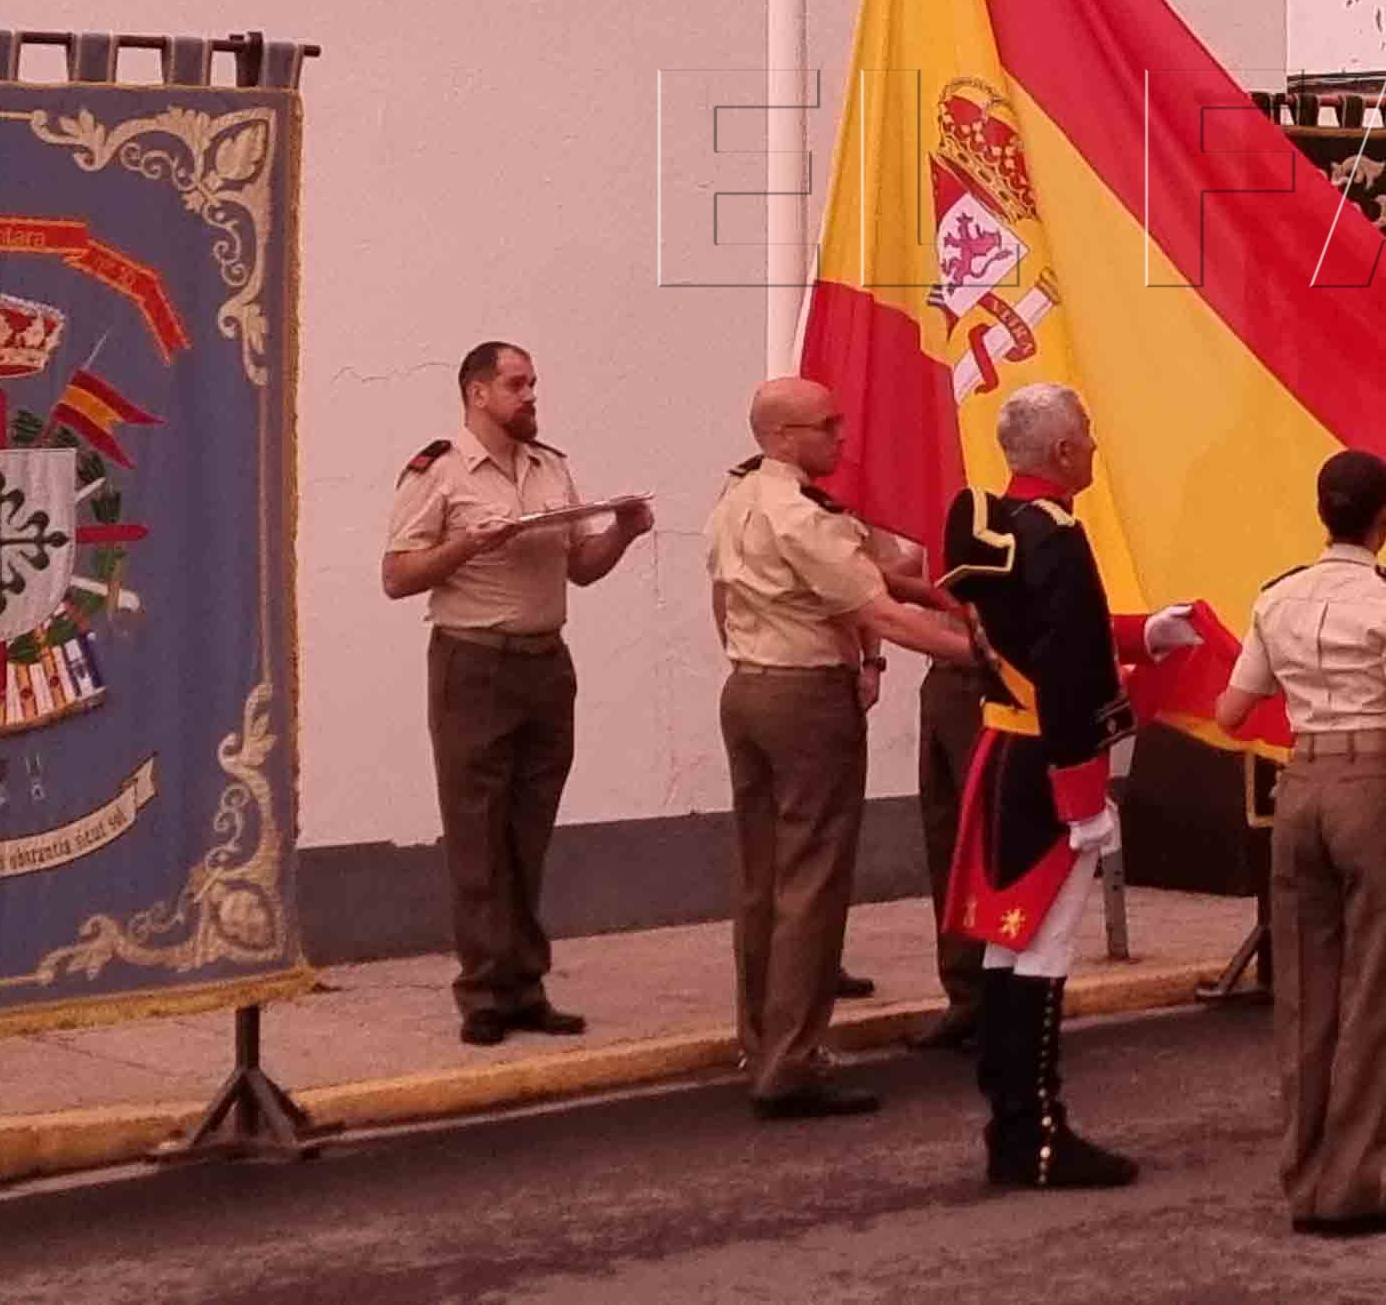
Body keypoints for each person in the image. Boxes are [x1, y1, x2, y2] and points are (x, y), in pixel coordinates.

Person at [937, 382, 1210, 1187]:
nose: (1094, 445)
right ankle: (1038, 1137)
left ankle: (1012, 1128)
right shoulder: (1054, 536)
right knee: (1043, 948)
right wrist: (1085, 798)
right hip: (1048, 763)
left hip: (1006, 753)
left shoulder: (1010, 526)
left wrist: (1142, 633)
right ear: (1062, 454)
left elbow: (1052, 630)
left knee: (1005, 942)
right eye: (1086, 435)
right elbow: (1065, 670)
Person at [703, 377, 983, 1119]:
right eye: (828, 426)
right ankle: (793, 1061)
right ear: (786, 436)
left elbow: (730, 598)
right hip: (804, 698)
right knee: (812, 880)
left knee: (761, 874)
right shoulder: (804, 515)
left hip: (750, 687)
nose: (842, 438)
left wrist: (932, 595)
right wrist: (979, 654)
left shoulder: (737, 500)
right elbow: (880, 613)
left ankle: (760, 1040)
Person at [381, 341, 650, 1046]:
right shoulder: (438, 471)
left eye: (533, 383)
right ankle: (483, 995)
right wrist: (467, 547)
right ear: (477, 394)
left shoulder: (551, 466)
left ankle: (526, 984)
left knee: (529, 833)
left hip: (544, 664)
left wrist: (621, 532)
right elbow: (398, 576)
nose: (530, 396)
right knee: (477, 834)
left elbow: (582, 568)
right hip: (472, 663)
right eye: (516, 384)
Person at [1210, 450, 1386, 1238]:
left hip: (1301, 781)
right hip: (1371, 779)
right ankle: (1350, 1183)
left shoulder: (1278, 596)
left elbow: (1232, 711)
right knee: (1376, 990)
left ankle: (1305, 1173)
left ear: (1323, 511)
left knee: (1304, 995)